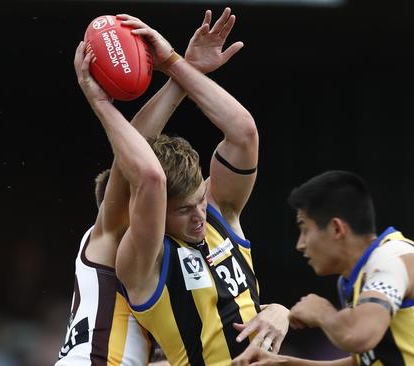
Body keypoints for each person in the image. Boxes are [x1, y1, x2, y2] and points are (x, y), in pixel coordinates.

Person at [72, 7, 289, 366]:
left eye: (200, 200)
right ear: (152, 211)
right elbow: (146, 177)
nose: (199, 214)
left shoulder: (220, 217)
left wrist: (176, 64)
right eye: (184, 210)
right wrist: (99, 102)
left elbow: (244, 133)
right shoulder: (146, 259)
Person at [233, 170, 414, 366]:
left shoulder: (393, 258)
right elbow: (369, 360)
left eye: (305, 229)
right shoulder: (354, 279)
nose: (300, 244)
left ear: (336, 229)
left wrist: (322, 311)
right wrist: (285, 363)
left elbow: (359, 336)